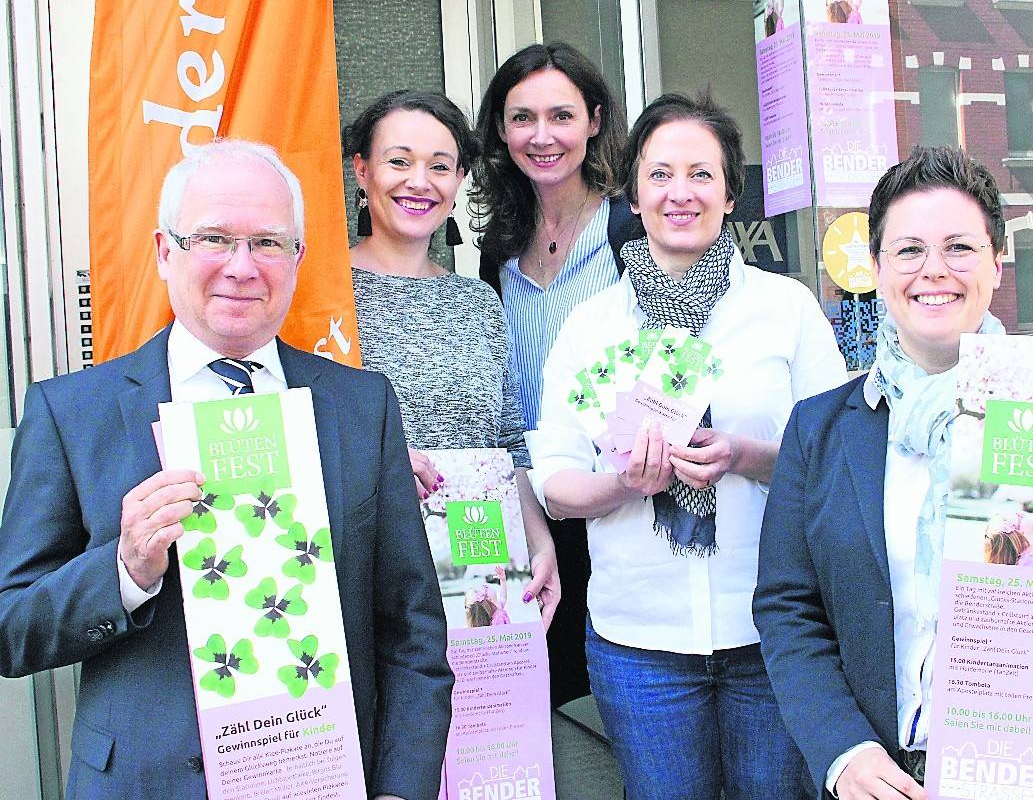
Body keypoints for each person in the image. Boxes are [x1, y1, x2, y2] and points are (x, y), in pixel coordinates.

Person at [0, 140, 452, 800]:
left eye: (268, 243)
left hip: (323, 777)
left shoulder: (362, 407)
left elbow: (411, 633)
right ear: (164, 250)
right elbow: (13, 630)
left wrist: (399, 790)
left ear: (297, 258)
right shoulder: (73, 413)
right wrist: (124, 570)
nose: (241, 267)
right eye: (214, 237)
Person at [754, 144, 1033, 800]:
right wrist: (841, 748)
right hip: (892, 779)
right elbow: (787, 607)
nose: (934, 270)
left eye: (959, 246)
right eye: (908, 250)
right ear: (876, 268)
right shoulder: (819, 431)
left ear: (996, 262)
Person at [527, 92, 847, 800]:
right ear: (633, 197)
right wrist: (624, 485)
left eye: (701, 174)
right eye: (660, 174)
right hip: (639, 644)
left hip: (772, 635)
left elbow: (832, 458)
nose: (681, 193)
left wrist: (745, 455)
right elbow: (553, 480)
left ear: (731, 193)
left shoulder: (785, 309)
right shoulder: (591, 327)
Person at [344, 89, 558, 627]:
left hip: (474, 565)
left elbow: (508, 443)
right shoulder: (322, 295)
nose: (420, 182)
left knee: (484, 707)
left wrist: (537, 541)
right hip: (359, 565)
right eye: (399, 161)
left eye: (440, 166)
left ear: (459, 180)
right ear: (361, 170)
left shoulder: (477, 301)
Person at [470, 41, 632, 705]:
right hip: (523, 513)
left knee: (625, 698)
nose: (542, 136)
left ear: (594, 121)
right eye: (522, 118)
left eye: (560, 116)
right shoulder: (498, 249)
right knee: (542, 705)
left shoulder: (632, 233)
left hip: (615, 503)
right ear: (501, 132)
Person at [985, 492, 1033, 567]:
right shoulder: (1027, 562)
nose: (1022, 513)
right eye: (1020, 517)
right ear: (1021, 533)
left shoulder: (1031, 544)